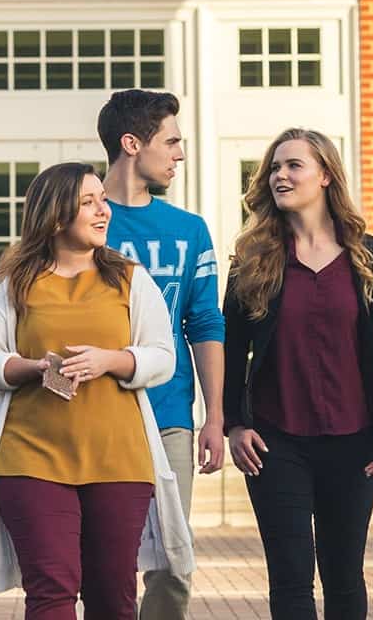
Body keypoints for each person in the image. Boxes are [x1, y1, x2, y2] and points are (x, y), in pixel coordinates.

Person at [0, 162, 194, 620]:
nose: (103, 211)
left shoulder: (130, 278)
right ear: (55, 215)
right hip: (30, 458)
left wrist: (110, 360)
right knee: (50, 592)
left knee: (113, 597)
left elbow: (163, 356)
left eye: (102, 200)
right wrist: (30, 367)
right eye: (88, 202)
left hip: (119, 460)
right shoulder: (10, 284)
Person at [222, 128, 373, 620]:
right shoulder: (252, 262)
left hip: (356, 442)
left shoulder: (371, 258)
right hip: (276, 443)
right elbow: (231, 351)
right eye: (274, 167)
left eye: (293, 165)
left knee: (345, 577)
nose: (280, 175)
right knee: (291, 578)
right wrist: (234, 423)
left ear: (325, 175)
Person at [96, 89, 225, 619]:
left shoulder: (188, 230)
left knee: (173, 563)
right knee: (107, 563)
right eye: (171, 141)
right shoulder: (80, 219)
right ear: (132, 143)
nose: (178, 153)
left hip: (169, 416)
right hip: (93, 415)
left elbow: (205, 322)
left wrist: (214, 415)